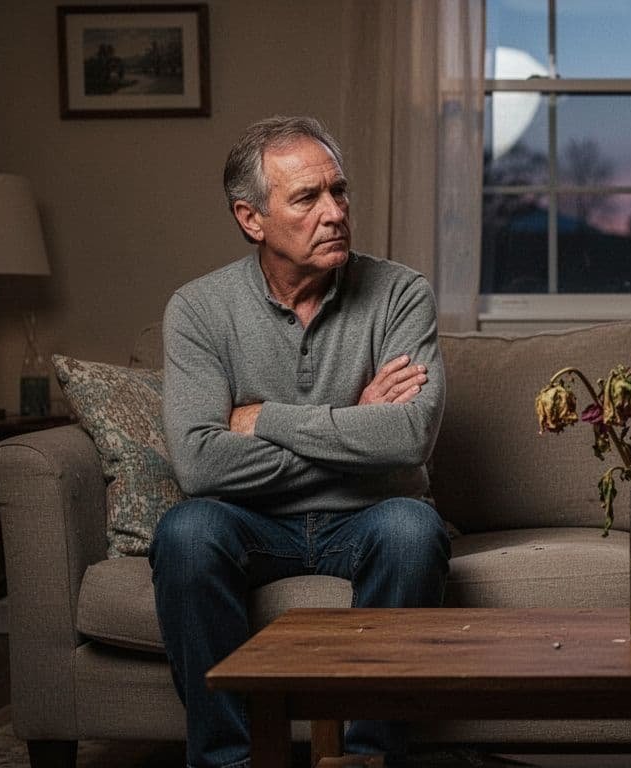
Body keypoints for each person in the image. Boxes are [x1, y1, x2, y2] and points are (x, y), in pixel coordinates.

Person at [152, 115, 451, 768]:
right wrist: (352, 424)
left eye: (339, 192)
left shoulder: (400, 293)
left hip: (370, 518)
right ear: (251, 218)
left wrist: (263, 418)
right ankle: (231, 762)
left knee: (411, 531)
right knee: (186, 531)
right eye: (308, 198)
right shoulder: (199, 310)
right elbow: (200, 465)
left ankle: (365, 760)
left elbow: (409, 438)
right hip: (247, 521)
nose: (335, 212)